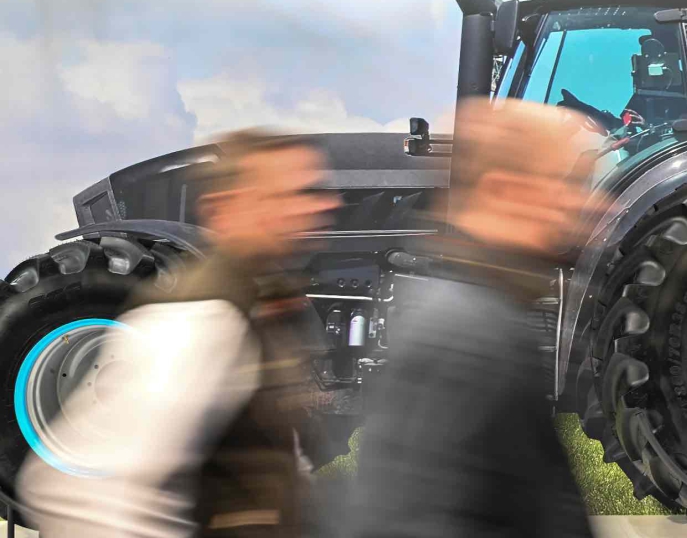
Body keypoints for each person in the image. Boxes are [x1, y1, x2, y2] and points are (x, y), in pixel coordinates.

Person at [16, 132, 342, 538]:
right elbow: (81, 495)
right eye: (293, 195)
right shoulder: (202, 317)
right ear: (227, 208)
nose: (326, 204)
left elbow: (274, 459)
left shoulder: (260, 303)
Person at [347, 99, 600, 538]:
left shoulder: (492, 319)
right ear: (501, 192)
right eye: (565, 184)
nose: (584, 205)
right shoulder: (463, 339)